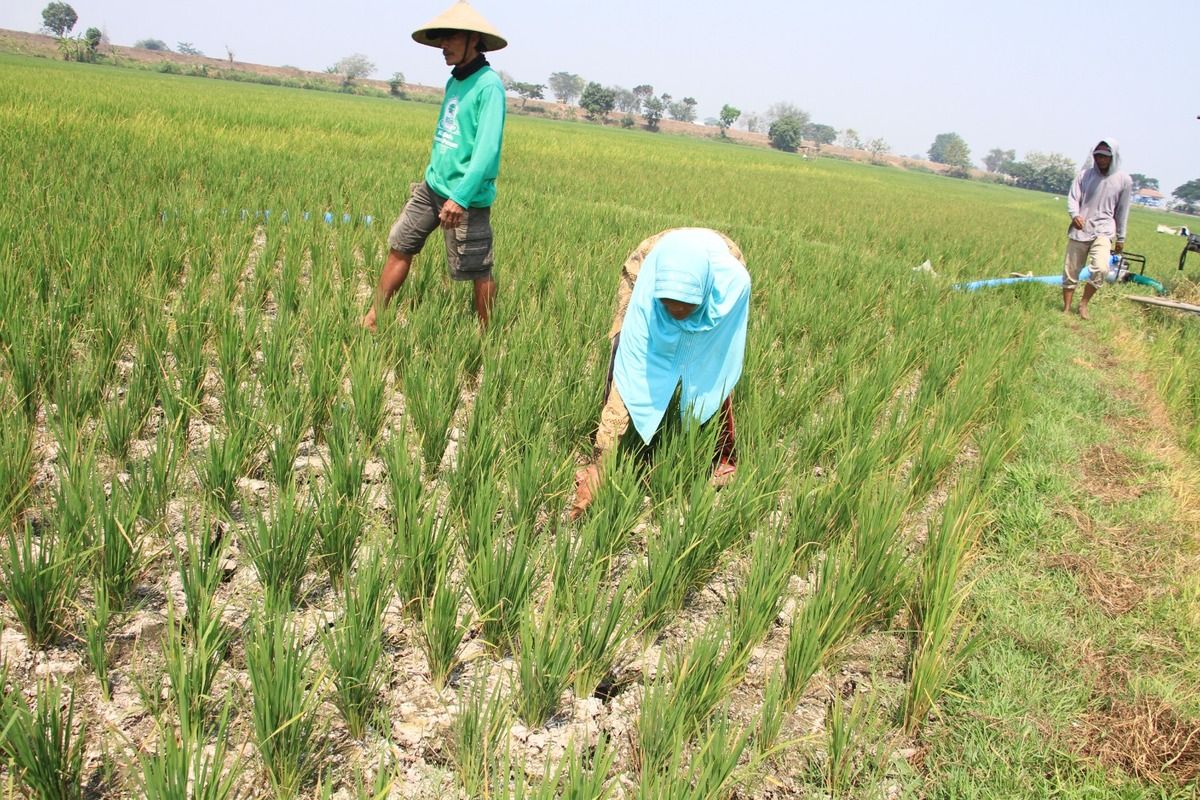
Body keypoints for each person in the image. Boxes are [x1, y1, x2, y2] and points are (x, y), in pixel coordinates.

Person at [571, 228, 751, 519]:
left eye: (686, 308)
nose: (677, 313)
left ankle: (723, 455)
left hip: (720, 262)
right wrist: (603, 464)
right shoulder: (647, 287)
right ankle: (603, 451)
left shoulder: (732, 286)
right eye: (669, 308)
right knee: (623, 350)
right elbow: (632, 367)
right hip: (648, 264)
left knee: (712, 368)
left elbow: (720, 362)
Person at [362, 1, 507, 331]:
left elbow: (486, 153)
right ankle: (373, 319)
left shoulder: (489, 86)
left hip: (465, 198)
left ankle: (488, 336)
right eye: (440, 38)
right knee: (401, 245)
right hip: (431, 188)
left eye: (450, 37)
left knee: (477, 269)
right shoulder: (454, 81)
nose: (443, 45)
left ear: (473, 39)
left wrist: (460, 197)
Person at [1063, 139, 1132, 320]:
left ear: (1113, 157)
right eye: (1098, 156)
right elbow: (1072, 198)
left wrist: (1121, 238)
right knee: (1071, 270)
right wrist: (1075, 215)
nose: (1101, 160)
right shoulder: (1084, 176)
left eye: (1105, 156)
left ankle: (1084, 303)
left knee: (1101, 268)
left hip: (1104, 230)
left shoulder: (1124, 180)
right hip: (1081, 227)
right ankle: (1066, 308)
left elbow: (1123, 211)